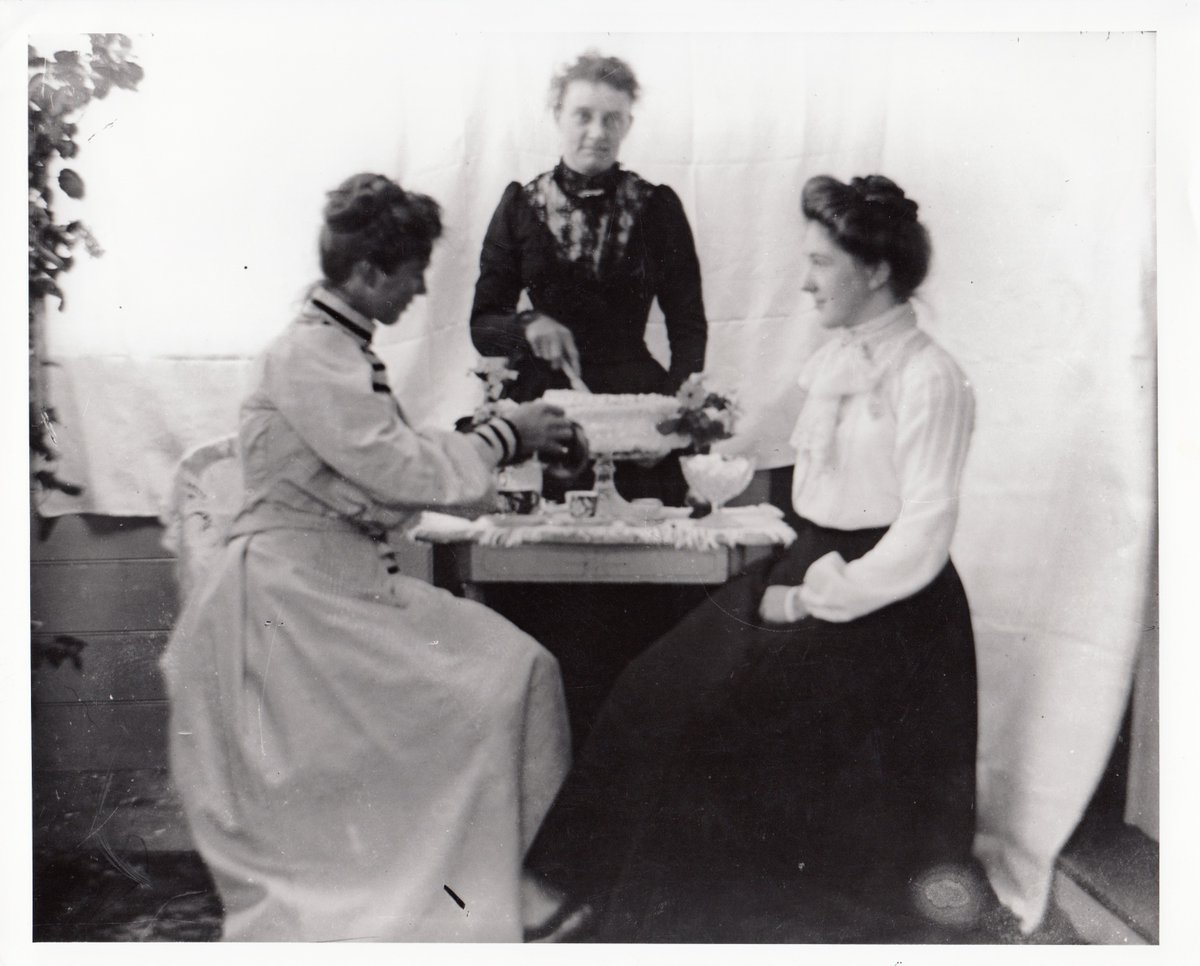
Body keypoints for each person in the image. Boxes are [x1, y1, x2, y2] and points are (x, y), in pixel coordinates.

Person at [521, 175, 983, 942]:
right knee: (654, 681)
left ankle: (664, 917)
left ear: (874, 270)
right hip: (809, 560)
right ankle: (585, 887)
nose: (804, 281)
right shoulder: (838, 356)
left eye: (821, 263)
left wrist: (806, 600)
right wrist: (689, 436)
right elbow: (766, 445)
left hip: (887, 605)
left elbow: (925, 532)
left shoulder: (930, 375)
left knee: (721, 721)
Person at [160, 173, 581, 942]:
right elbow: (396, 470)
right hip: (288, 605)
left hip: (332, 585)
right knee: (502, 676)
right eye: (414, 272)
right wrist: (505, 435)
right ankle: (466, 886)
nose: (421, 289)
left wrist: (489, 442)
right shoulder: (311, 355)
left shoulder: (335, 350)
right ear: (366, 275)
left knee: (514, 668)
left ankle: (491, 877)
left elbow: (384, 471)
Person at [468, 49, 708, 504]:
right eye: (583, 115)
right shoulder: (520, 205)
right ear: (558, 115)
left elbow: (688, 327)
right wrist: (528, 324)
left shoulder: (658, 208)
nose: (597, 133)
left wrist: (673, 419)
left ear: (628, 125)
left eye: (612, 119)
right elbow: (482, 326)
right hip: (545, 414)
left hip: (635, 409)